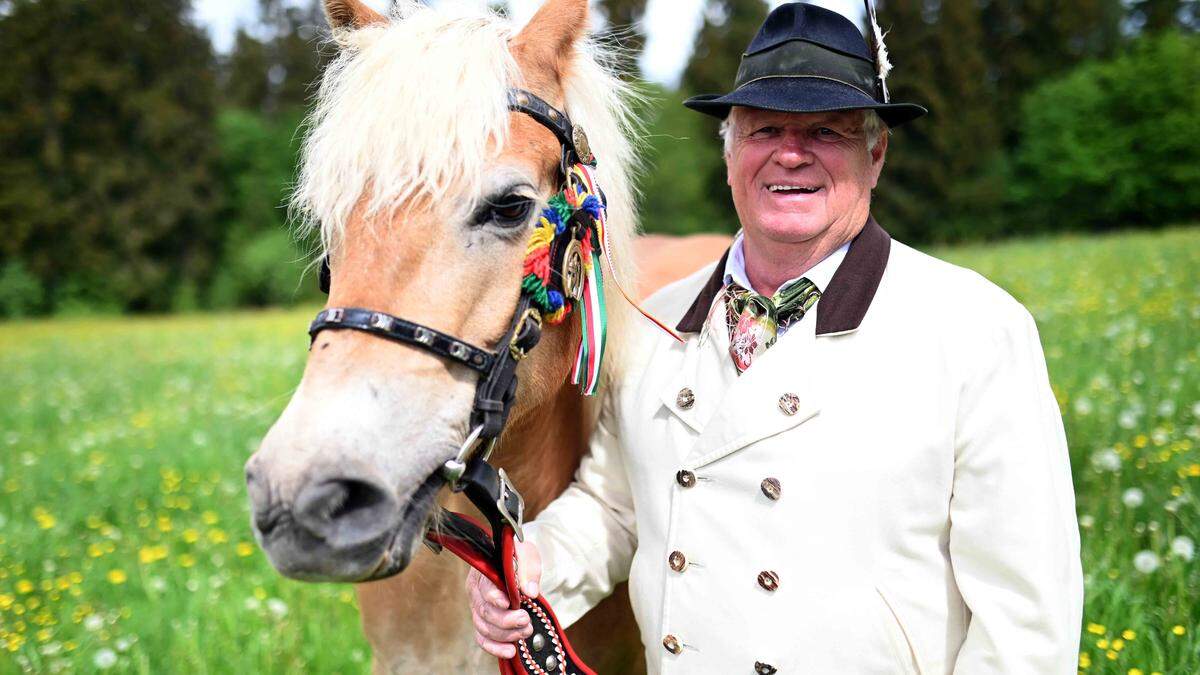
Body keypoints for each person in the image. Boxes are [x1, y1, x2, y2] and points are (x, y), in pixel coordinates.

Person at [467, 3, 1083, 673]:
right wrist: (537, 562)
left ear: (875, 154)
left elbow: (1026, 622)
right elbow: (616, 506)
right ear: (730, 151)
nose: (791, 153)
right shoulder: (653, 321)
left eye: (826, 130)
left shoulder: (974, 330)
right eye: (764, 129)